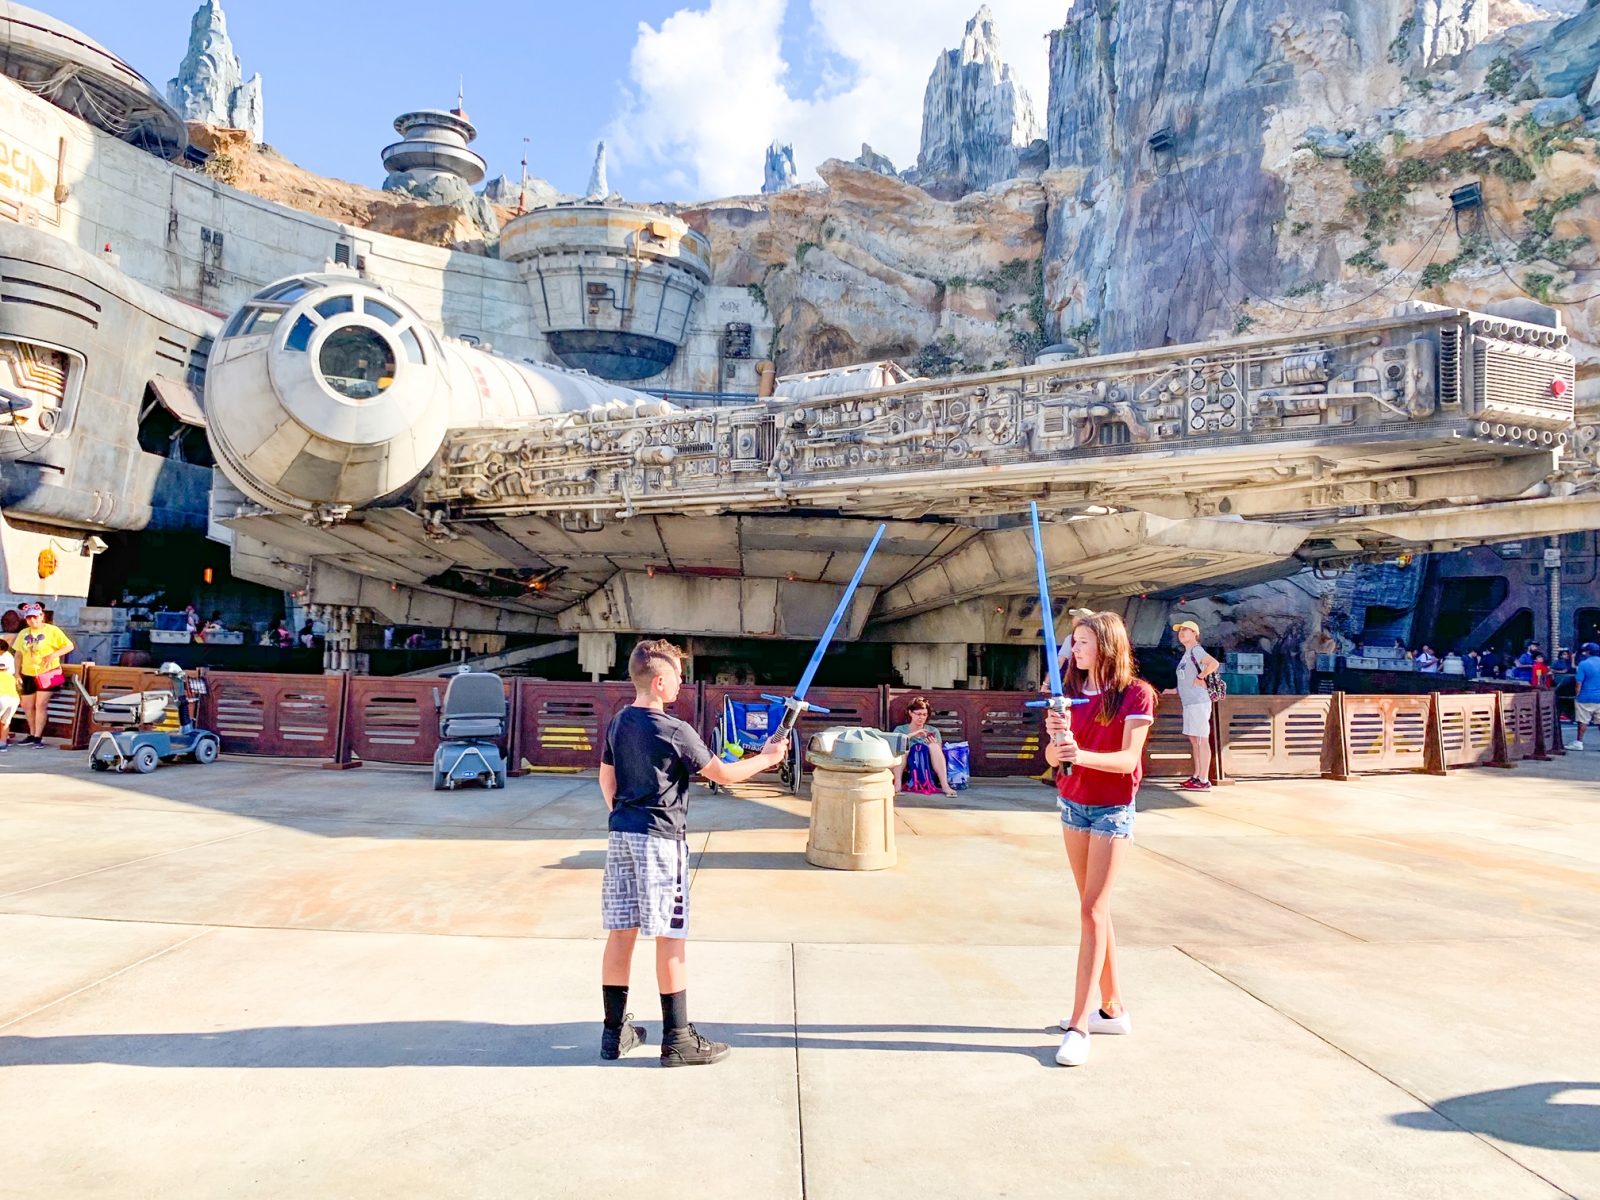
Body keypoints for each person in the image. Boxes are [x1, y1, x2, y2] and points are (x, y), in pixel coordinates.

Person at [599, 638, 789, 1066]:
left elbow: (606, 783)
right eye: (679, 678)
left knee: (621, 933)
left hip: (621, 837)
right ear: (661, 682)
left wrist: (626, 819)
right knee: (670, 936)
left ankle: (614, 1036)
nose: (682, 685)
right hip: (661, 842)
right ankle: (678, 1041)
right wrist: (768, 757)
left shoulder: (618, 723)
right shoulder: (674, 730)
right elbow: (723, 773)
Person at [1043, 611, 1157, 1068]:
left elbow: (1129, 761)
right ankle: (1113, 1007)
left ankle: (1079, 1026)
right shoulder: (1067, 695)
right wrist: (1057, 744)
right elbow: (1053, 757)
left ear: (1107, 645)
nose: (1077, 648)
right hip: (1072, 805)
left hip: (1112, 810)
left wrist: (1079, 753)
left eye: (1085, 639)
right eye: (1075, 640)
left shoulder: (1136, 693)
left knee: (1092, 910)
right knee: (1096, 910)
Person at [1169, 619, 1219, 791]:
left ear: (1195, 634)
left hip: (1198, 701)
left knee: (1201, 739)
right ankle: (1197, 775)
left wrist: (1201, 676)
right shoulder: (1186, 654)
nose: (1181, 633)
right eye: (1180, 630)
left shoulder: (1197, 650)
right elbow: (1185, 677)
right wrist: (1174, 690)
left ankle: (1204, 779)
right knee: (1194, 738)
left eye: (1186, 630)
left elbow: (1213, 663)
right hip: (1189, 702)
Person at [14, 602, 73, 746]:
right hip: (28, 673)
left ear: (41, 616)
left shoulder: (52, 630)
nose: (32, 620)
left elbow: (69, 646)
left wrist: (54, 655)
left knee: (40, 704)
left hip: (47, 672)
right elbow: (18, 655)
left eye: (35, 617)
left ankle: (38, 736)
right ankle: (32, 733)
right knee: (27, 705)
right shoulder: (23, 633)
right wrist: (17, 673)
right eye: (29, 618)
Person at [892, 696, 957, 796]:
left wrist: (933, 743)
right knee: (902, 746)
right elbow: (894, 746)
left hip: (927, 764)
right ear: (910, 713)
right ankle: (897, 784)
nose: (921, 717)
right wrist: (914, 734)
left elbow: (939, 752)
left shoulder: (933, 730)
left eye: (924, 714)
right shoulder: (900, 729)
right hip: (907, 764)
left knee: (934, 746)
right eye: (918, 714)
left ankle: (945, 786)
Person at [1570, 643, 1600, 750]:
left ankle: (1579, 742)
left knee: (1583, 721)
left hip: (1585, 696)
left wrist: (1576, 695)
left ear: (1588, 652)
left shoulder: (1584, 664)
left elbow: (1579, 683)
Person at [0, 637, 19, 751]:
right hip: (13, 697)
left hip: (1, 696)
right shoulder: (10, 659)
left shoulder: (5, 657)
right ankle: (2, 743)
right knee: (5, 722)